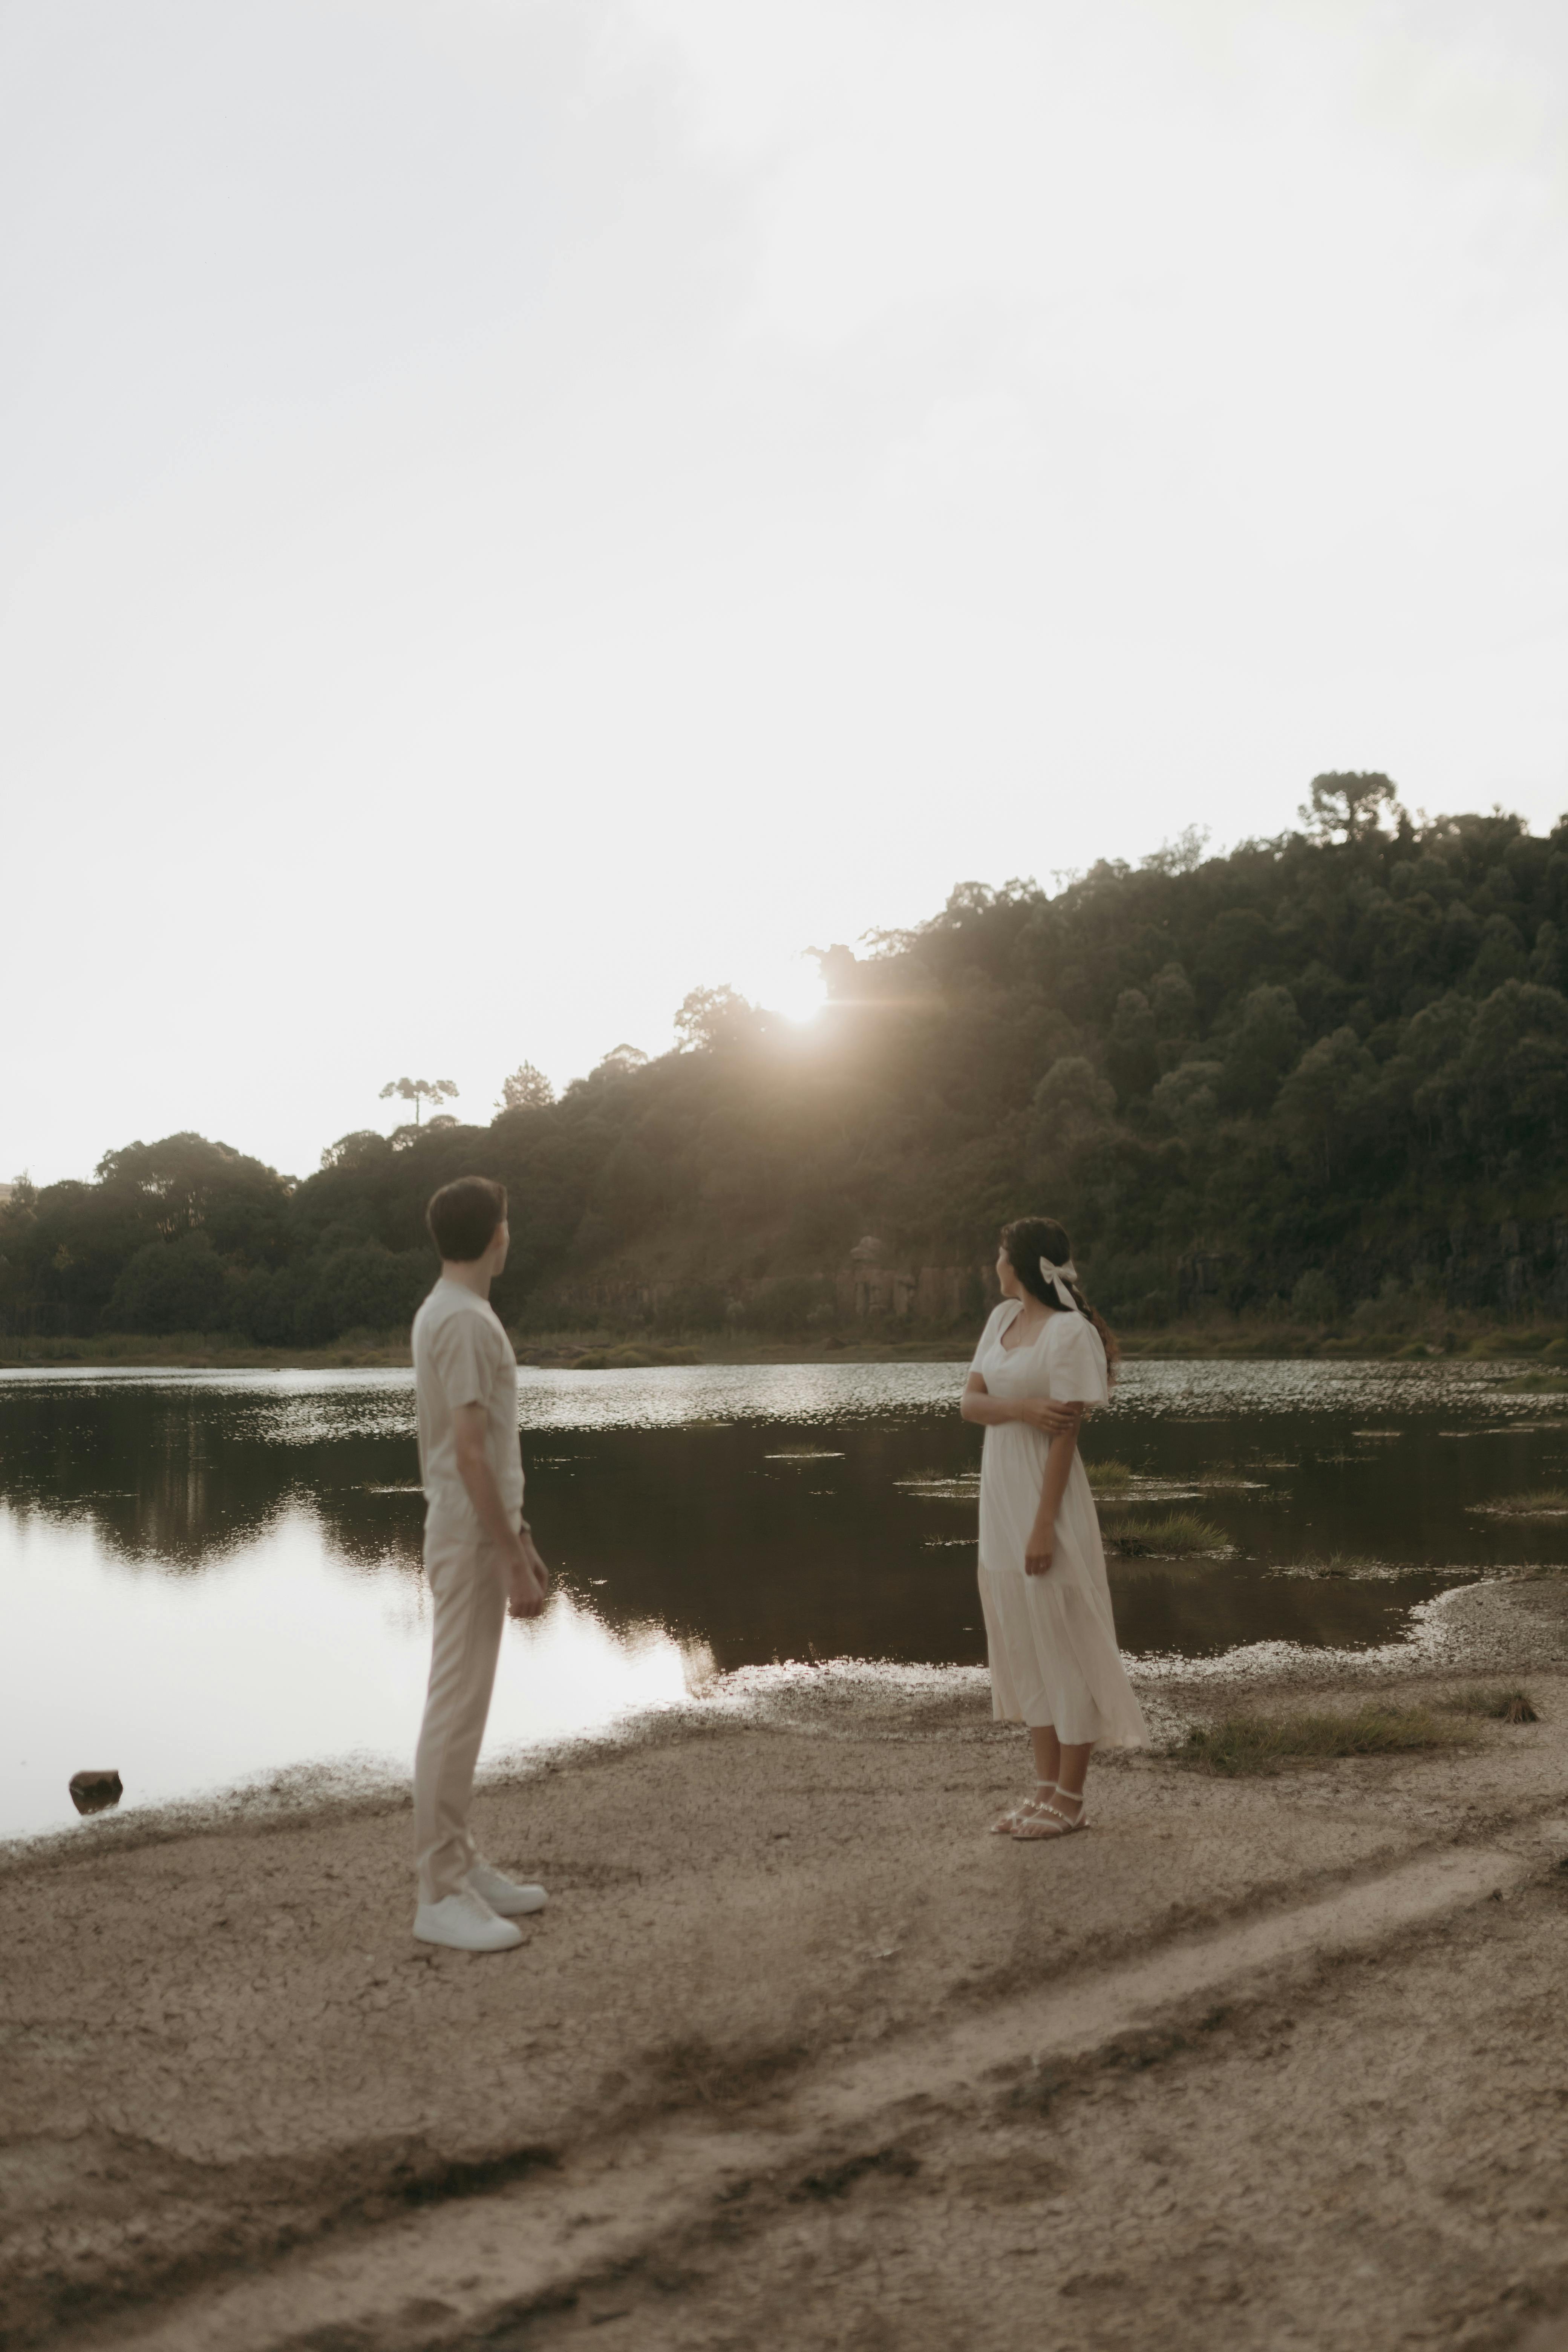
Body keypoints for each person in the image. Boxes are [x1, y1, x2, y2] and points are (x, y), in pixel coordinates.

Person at [961, 1214, 1148, 1841]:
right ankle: (1042, 1791)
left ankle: (1071, 1799)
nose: (995, 1261)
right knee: (1022, 1641)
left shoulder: (1071, 1334)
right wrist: (1019, 1408)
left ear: (1021, 1263)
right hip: (999, 1497)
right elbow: (970, 1404)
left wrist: (1044, 1527)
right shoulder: (1001, 1320)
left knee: (1061, 1637)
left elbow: (1065, 1439)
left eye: (999, 1251)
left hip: (1049, 1499)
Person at [410, 1176, 551, 1951]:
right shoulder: (463, 1322)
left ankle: (460, 1863)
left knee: (462, 1707)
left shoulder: (455, 1311)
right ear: (496, 1236)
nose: (511, 1235)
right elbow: (469, 1456)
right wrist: (510, 1558)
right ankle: (439, 1892)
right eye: (509, 1222)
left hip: (477, 1530)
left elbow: (489, 1451)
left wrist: (522, 1539)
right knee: (454, 1710)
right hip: (467, 1537)